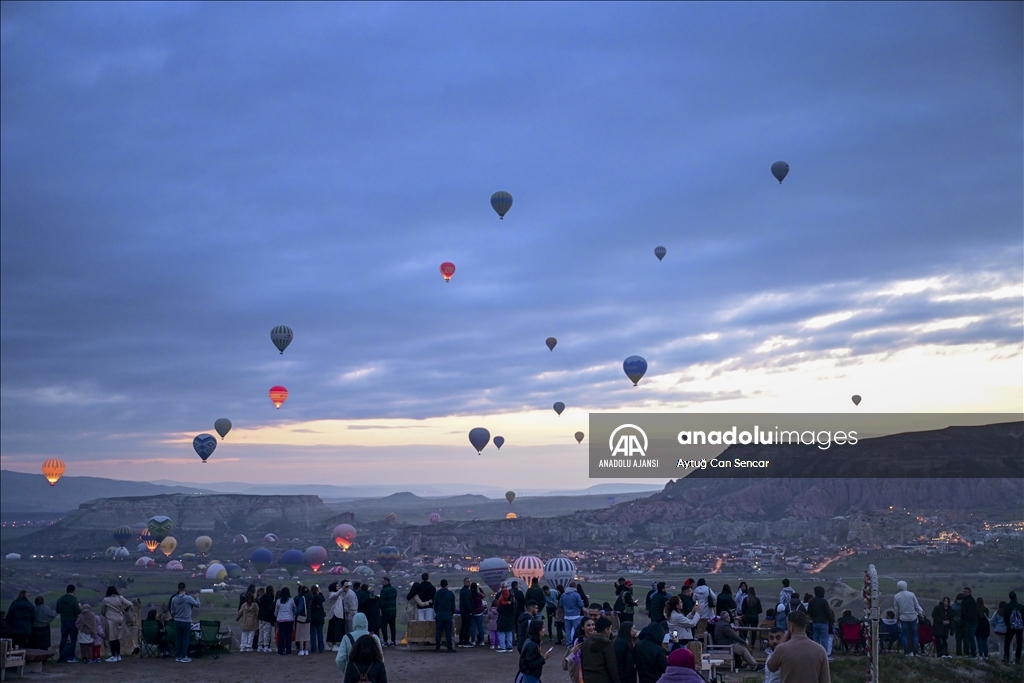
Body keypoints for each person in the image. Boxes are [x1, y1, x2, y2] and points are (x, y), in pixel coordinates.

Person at [766, 611, 830, 683]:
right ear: (805, 626)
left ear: (791, 627)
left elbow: (771, 667)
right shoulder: (820, 650)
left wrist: (781, 643)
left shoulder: (782, 649)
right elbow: (825, 679)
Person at [581, 616, 620, 683]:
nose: (610, 632)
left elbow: (583, 663)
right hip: (603, 678)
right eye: (610, 629)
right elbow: (612, 667)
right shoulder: (607, 644)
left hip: (588, 678)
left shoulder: (585, 642)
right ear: (606, 630)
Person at [100, 585, 133, 662]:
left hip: (110, 619)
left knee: (112, 638)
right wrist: (124, 610)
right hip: (119, 618)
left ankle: (113, 656)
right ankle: (118, 655)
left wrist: (106, 614)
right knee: (117, 638)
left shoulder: (106, 600)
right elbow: (130, 604)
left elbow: (102, 611)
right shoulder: (120, 598)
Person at [170, 582, 200, 663]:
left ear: (178, 589)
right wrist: (197, 597)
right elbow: (197, 605)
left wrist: (176, 617)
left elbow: (172, 611)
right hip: (186, 621)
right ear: (185, 589)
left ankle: (178, 656)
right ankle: (184, 656)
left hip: (177, 621)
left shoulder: (174, 599)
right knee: (185, 639)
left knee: (178, 639)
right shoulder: (188, 598)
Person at [893, 580, 924, 656]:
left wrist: (896, 618)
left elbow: (896, 610)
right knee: (915, 635)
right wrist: (921, 613)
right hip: (913, 617)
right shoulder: (911, 594)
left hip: (903, 617)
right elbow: (916, 606)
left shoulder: (896, 596)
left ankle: (907, 652)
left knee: (904, 635)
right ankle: (916, 652)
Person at [563, 616, 594, 683]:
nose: (592, 627)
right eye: (588, 625)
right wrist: (574, 652)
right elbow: (575, 660)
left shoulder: (597, 639)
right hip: (582, 670)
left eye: (593, 625)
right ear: (583, 627)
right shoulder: (578, 641)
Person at [55, 584, 82, 662]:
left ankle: (61, 656)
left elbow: (57, 611)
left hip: (63, 621)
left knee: (63, 639)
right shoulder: (74, 600)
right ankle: (71, 657)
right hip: (73, 621)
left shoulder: (60, 599)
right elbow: (77, 611)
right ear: (73, 591)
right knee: (73, 639)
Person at [433, 578, 456, 653]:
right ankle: (449, 647)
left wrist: (437, 612)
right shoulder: (450, 594)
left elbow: (435, 605)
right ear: (447, 585)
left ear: (440, 585)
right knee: (448, 632)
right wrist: (451, 613)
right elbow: (453, 606)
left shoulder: (437, 594)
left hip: (439, 614)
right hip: (448, 614)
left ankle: (437, 648)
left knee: (438, 631)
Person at [807, 586, 831, 652]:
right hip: (824, 622)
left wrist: (812, 617)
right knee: (824, 640)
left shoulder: (811, 601)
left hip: (815, 622)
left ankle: (815, 653)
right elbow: (828, 612)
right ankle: (824, 654)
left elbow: (809, 612)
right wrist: (829, 619)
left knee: (815, 639)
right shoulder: (824, 601)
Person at [274, 586, 296, 655]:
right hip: (289, 620)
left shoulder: (278, 601)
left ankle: (280, 651)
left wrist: (277, 616)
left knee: (281, 635)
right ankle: (288, 650)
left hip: (281, 620)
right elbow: (294, 609)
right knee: (288, 636)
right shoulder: (291, 600)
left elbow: (276, 611)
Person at [1003, 591, 1023, 664]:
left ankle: (1006, 658)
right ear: (1016, 597)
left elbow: (1005, 617)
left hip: (1010, 627)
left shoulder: (1007, 606)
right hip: (1020, 627)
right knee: (1019, 643)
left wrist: (1008, 624)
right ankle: (1017, 659)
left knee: (1007, 643)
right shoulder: (1021, 606)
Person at [496, 583, 516, 653]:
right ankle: (509, 646)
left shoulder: (502, 602)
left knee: (502, 633)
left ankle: (502, 647)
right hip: (510, 618)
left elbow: (498, 610)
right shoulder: (514, 602)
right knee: (509, 632)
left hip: (502, 619)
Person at [257, 584, 277, 653]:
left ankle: (259, 646)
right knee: (267, 632)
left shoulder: (262, 598)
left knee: (261, 632)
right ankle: (266, 646)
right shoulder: (270, 598)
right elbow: (270, 609)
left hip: (261, 617)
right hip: (267, 618)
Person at [961, 586, 979, 657]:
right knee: (969, 638)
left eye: (965, 592)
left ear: (969, 592)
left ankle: (973, 653)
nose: (964, 593)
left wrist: (966, 620)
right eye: (963, 592)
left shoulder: (971, 601)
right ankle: (969, 653)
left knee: (971, 638)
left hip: (971, 623)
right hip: (967, 622)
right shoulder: (965, 600)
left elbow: (970, 613)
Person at [379, 577, 398, 647]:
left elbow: (381, 602)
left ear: (386, 582)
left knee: (383, 627)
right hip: (393, 611)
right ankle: (393, 641)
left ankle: (385, 641)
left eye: (383, 581)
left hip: (386, 612)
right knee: (392, 626)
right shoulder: (394, 589)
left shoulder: (384, 590)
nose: (382, 583)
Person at [458, 577, 474, 647]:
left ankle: (461, 641)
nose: (469, 583)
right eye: (467, 581)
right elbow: (467, 602)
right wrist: (470, 610)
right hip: (466, 612)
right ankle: (466, 641)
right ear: (464, 582)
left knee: (464, 626)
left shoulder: (464, 590)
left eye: (470, 581)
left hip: (464, 611)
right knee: (466, 627)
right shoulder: (465, 591)